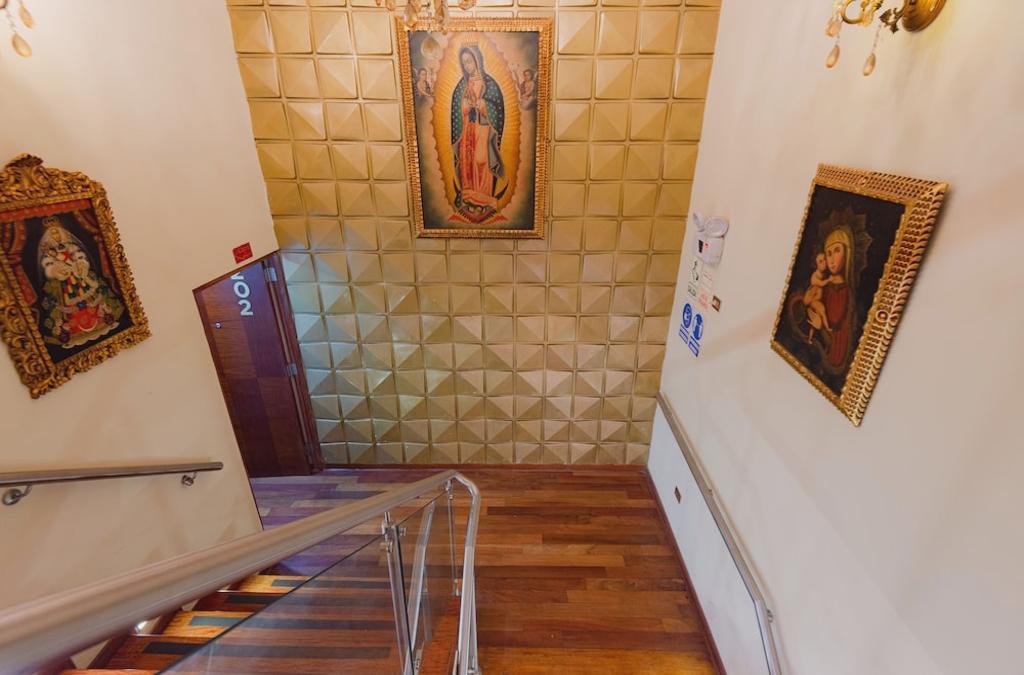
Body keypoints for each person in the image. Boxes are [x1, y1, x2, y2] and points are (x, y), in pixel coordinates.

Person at [37, 214, 123, 347]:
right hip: (65, 283)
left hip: (80, 277)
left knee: (93, 300)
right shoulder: (48, 253)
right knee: (69, 308)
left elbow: (80, 258)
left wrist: (79, 265)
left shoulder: (71, 246)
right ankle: (73, 331)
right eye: (52, 234)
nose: (56, 236)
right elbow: (50, 268)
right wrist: (58, 269)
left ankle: (103, 321)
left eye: (57, 232)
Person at [450, 44, 505, 224]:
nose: (467, 65)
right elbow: (457, 111)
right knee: (467, 161)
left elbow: (497, 109)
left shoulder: (490, 85)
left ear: (477, 60)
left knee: (482, 160)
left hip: (483, 130)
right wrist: (465, 106)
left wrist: (482, 104)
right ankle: (469, 198)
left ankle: (483, 199)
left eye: (470, 61)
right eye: (464, 62)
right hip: (467, 130)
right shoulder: (461, 86)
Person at [818, 227, 855, 372]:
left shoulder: (844, 290)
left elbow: (834, 320)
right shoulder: (828, 285)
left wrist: (820, 324)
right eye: (828, 253)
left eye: (837, 251)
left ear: (847, 254)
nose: (832, 260)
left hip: (836, 349)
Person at [802, 252, 831, 343]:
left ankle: (810, 338)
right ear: (816, 265)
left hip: (816, 300)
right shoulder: (814, 277)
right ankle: (828, 328)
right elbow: (821, 284)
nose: (824, 262)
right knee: (822, 312)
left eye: (825, 259)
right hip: (813, 301)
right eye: (821, 261)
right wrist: (829, 280)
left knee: (814, 323)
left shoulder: (823, 273)